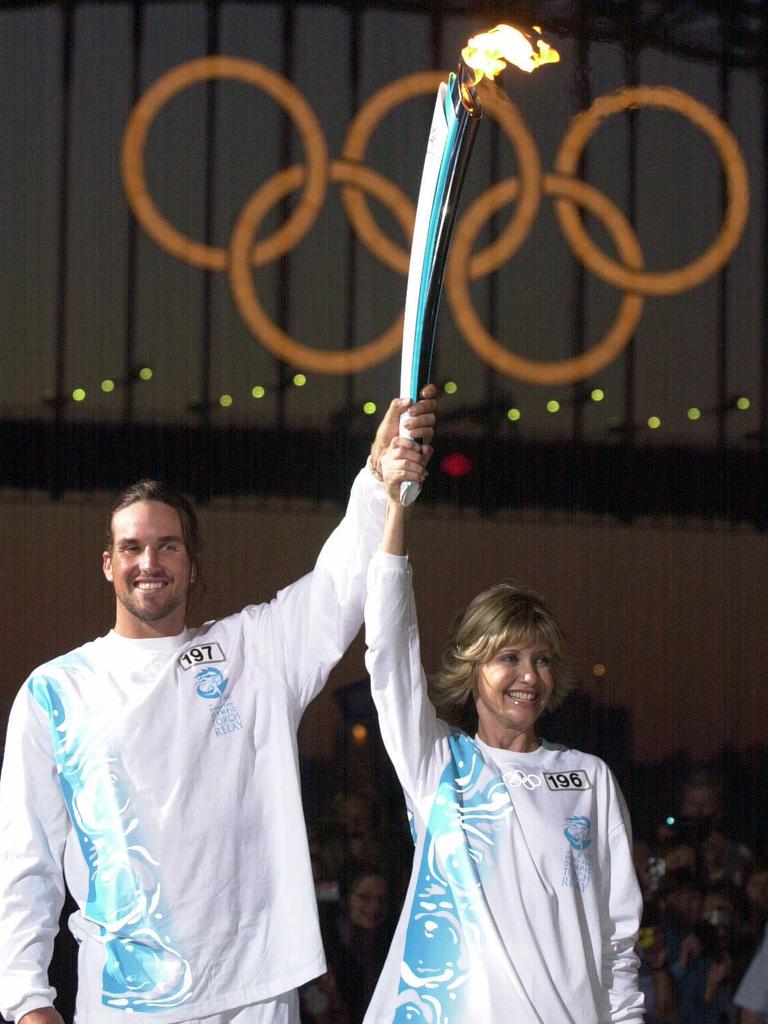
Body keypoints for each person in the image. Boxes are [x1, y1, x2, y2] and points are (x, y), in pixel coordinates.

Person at [0, 390, 437, 1024]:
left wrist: (377, 477)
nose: (149, 561)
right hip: (127, 996)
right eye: (132, 547)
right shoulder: (55, 691)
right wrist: (26, 998)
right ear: (107, 564)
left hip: (252, 990)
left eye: (168, 546)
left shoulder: (250, 654)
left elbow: (341, 583)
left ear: (191, 561)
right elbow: (26, 855)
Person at [359, 436, 644, 1023]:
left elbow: (619, 935)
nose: (528, 677)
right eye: (507, 658)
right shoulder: (440, 766)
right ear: (471, 668)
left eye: (541, 660)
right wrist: (396, 510)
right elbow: (389, 652)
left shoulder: (587, 778)